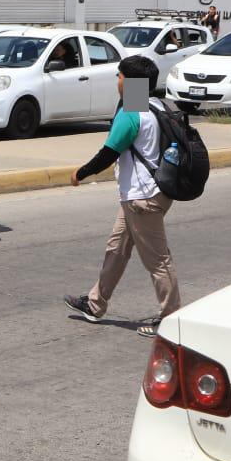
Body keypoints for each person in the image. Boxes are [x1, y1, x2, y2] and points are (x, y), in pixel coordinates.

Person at [64, 55, 180, 337]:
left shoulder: (132, 111)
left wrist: (81, 173)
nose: (117, 81)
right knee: (117, 248)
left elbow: (109, 152)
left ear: (129, 83)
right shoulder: (155, 105)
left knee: (157, 260)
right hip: (148, 194)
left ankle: (172, 319)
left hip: (142, 199)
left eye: (119, 76)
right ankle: (95, 303)